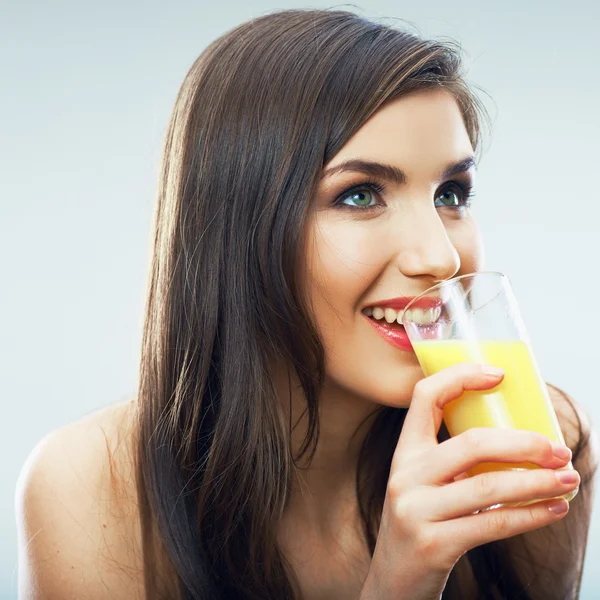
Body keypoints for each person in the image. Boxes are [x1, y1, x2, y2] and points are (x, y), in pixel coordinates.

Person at [15, 8, 598, 600]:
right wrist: (400, 584)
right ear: (237, 230)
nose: (440, 257)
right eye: (360, 195)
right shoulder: (91, 487)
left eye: (451, 193)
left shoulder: (538, 453)